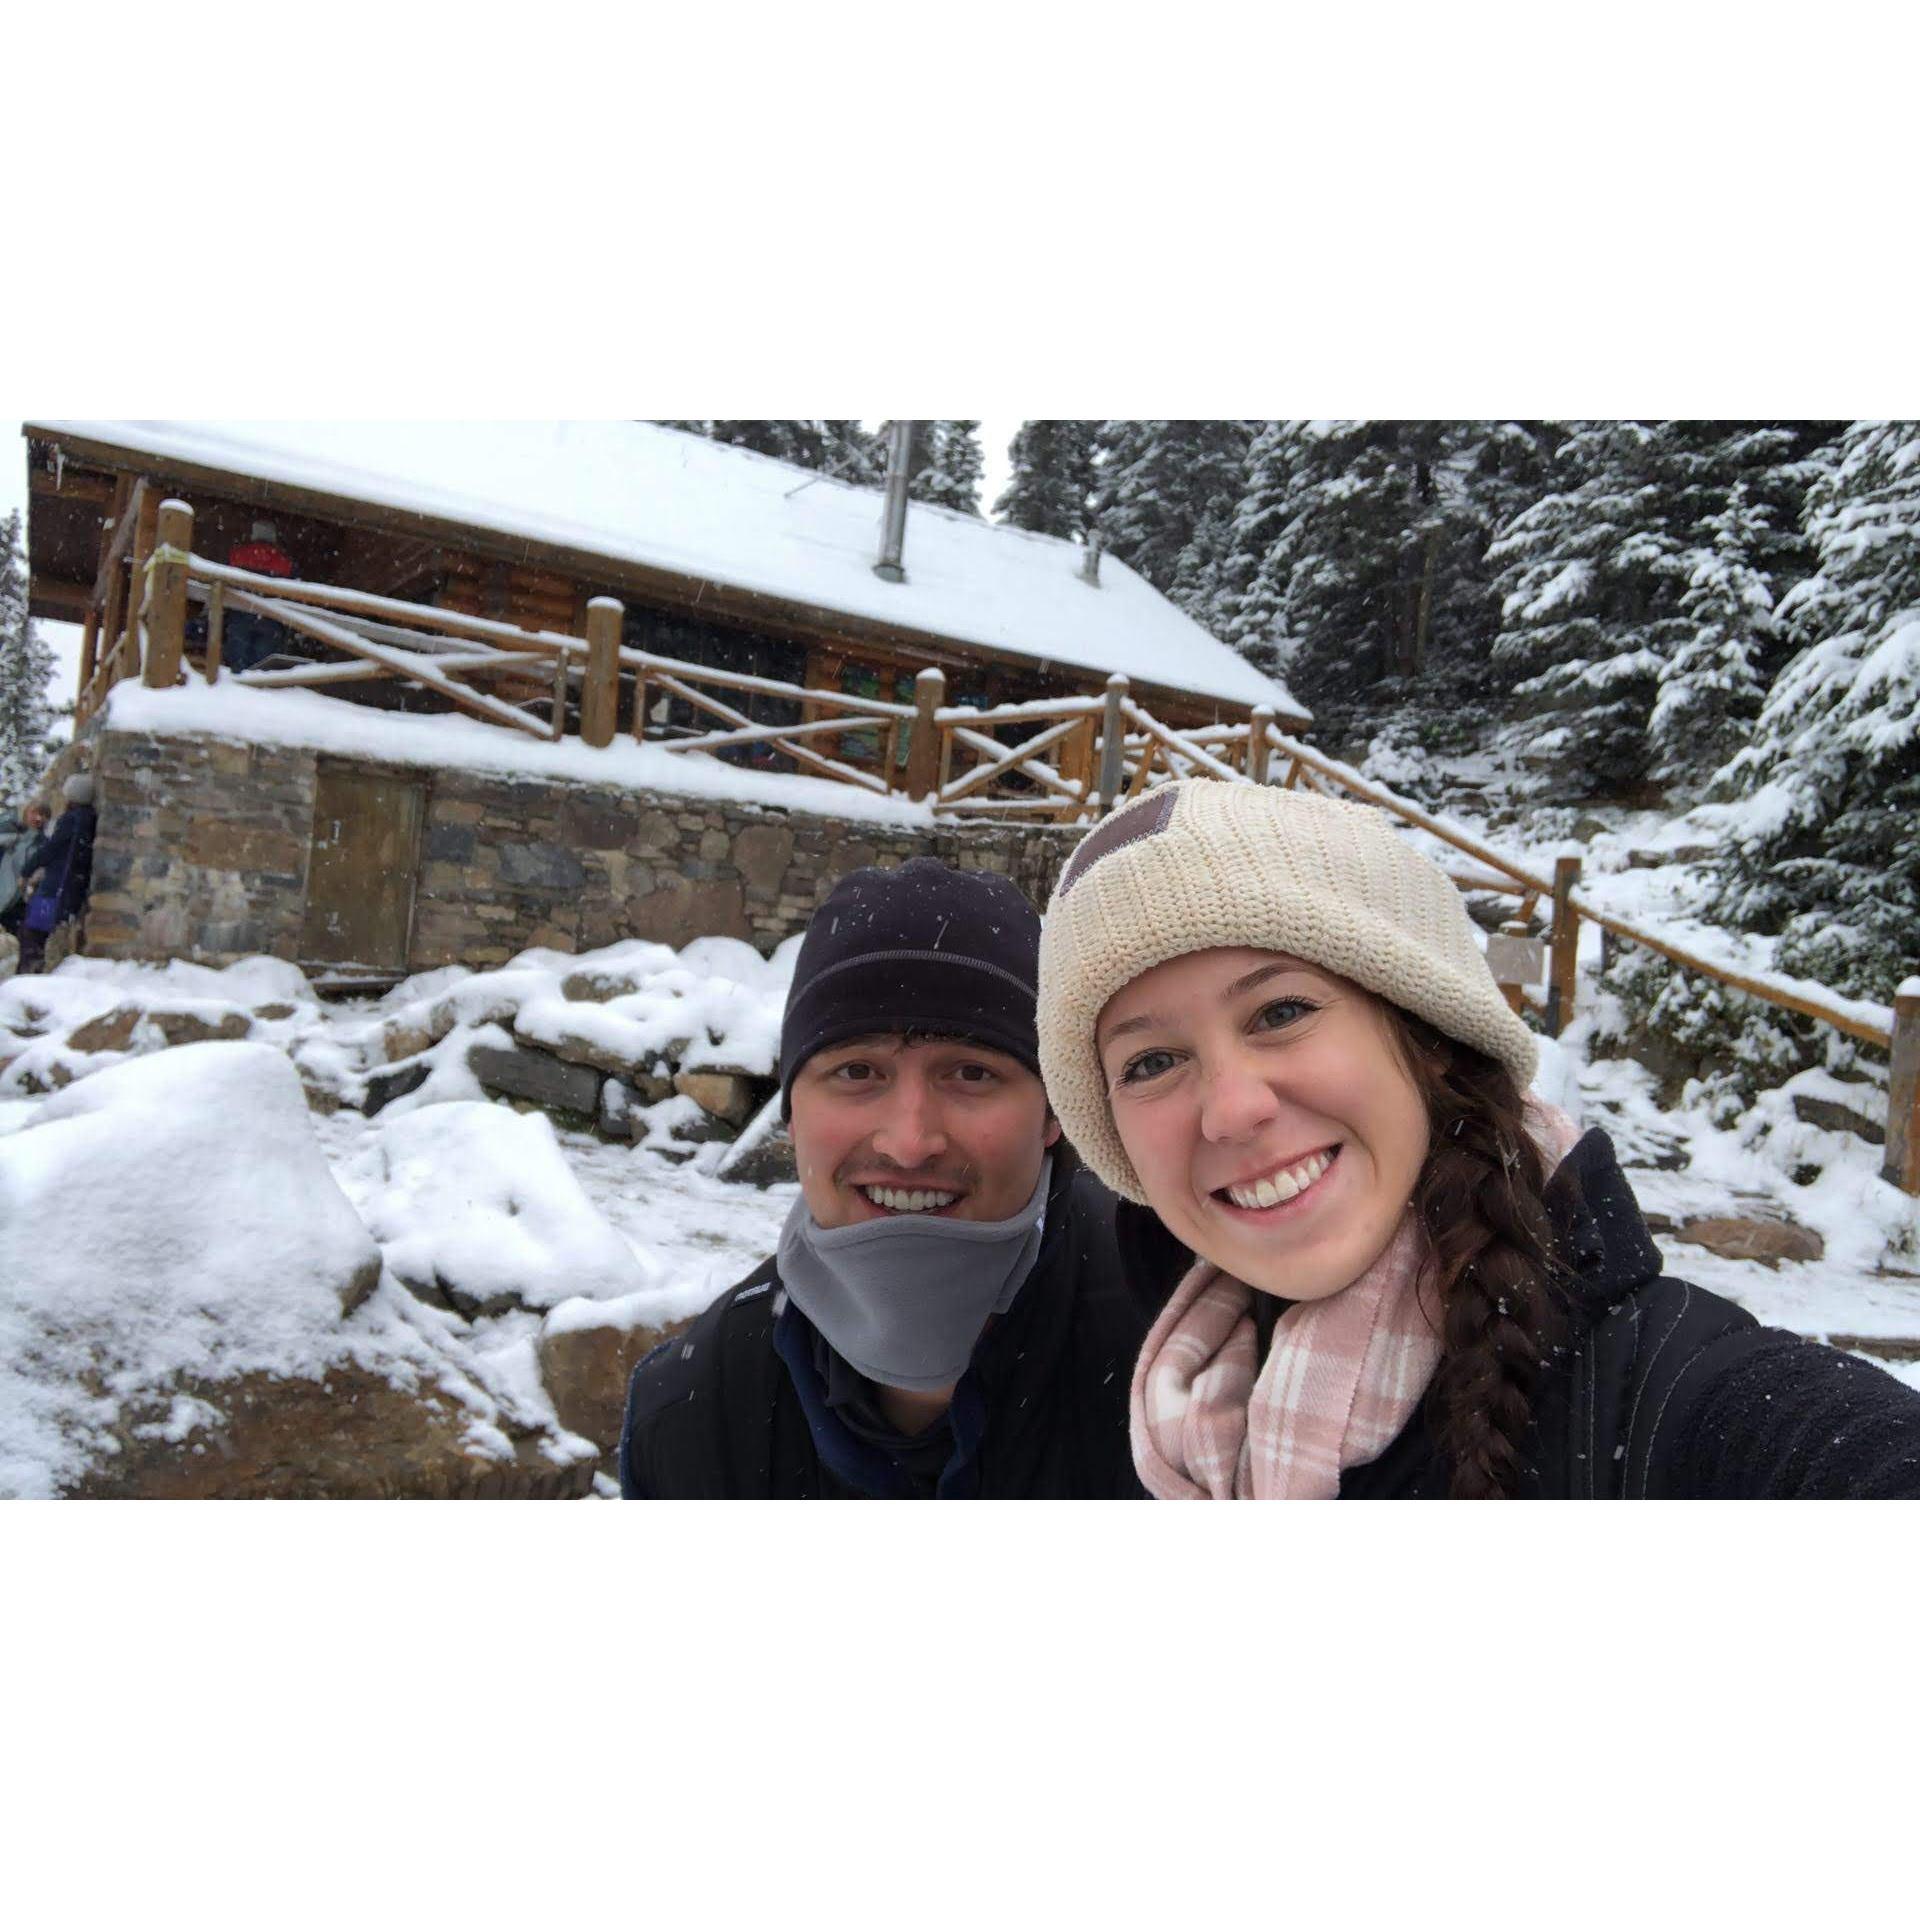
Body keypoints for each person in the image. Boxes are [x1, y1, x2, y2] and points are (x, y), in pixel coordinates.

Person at [1035, 780, 1920, 1498]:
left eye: (1281, 1012)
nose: (1231, 1110)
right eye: (1151, 1062)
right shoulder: (1155, 1397)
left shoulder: (1683, 1406)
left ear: (1428, 1038)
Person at [620, 857, 1154, 1498]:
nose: (909, 1143)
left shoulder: (1190, 1362)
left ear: (1053, 1114)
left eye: (972, 1073)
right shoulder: (690, 1415)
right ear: (791, 1116)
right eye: (856, 1072)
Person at [18, 775, 98, 976]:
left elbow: (50, 850)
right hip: (73, 887)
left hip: (56, 887)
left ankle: (27, 977)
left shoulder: (70, 820)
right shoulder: (90, 819)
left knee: (32, 934)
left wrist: (26, 870)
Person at [220, 519, 297, 674]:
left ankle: (236, 682)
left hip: (240, 614)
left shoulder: (237, 555)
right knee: (263, 666)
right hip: (271, 618)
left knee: (237, 663)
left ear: (254, 534)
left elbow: (224, 583)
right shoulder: (285, 562)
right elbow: (292, 593)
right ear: (273, 537)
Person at [0, 800, 51, 945]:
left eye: (43, 814)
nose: (38, 818)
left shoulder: (45, 845)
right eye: (34, 813)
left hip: (22, 902)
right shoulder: (10, 838)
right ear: (25, 814)